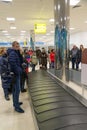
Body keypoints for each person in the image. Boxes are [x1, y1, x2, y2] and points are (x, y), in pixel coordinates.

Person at [8, 41, 24, 113]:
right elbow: (13, 65)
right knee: (17, 90)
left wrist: (20, 54)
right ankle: (16, 107)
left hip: (17, 74)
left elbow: (20, 62)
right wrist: (20, 71)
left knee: (16, 90)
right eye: (16, 46)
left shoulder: (16, 53)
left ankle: (16, 103)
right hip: (15, 74)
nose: (18, 47)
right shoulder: (12, 53)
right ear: (13, 46)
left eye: (18, 46)